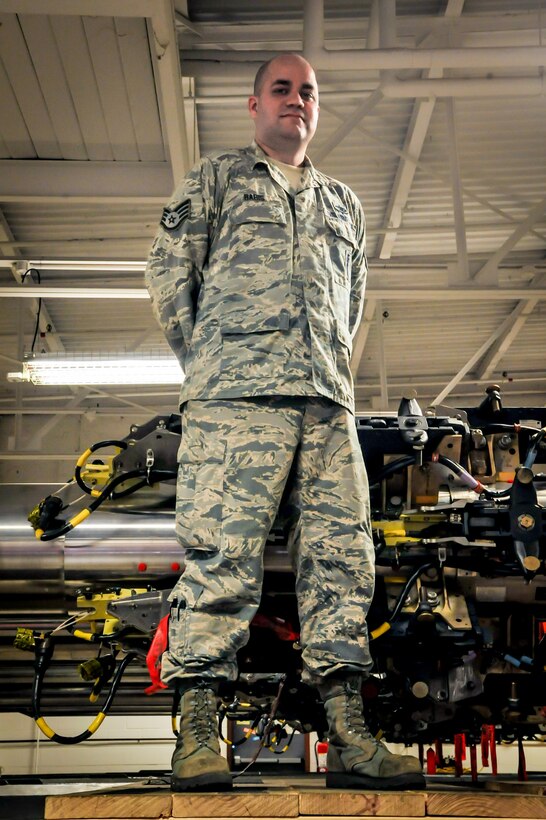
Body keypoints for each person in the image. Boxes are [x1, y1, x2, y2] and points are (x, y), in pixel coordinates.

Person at [145, 53, 424, 792]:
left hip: (326, 407)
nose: (296, 100)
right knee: (221, 558)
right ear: (254, 104)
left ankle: (349, 735)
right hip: (235, 401)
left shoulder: (344, 203)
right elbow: (173, 279)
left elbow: (349, 307)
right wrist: (214, 367)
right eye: (282, 89)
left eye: (308, 92)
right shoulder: (216, 180)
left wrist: (319, 370)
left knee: (342, 562)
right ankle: (200, 735)